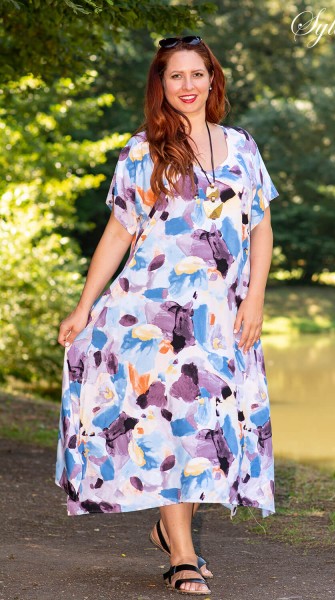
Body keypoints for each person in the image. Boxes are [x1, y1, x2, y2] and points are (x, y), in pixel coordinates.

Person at [55, 35, 279, 596]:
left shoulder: (242, 146)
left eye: (197, 74)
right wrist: (84, 307)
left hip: (221, 316)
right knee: (173, 426)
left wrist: (254, 299)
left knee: (210, 428)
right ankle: (182, 553)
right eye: (175, 75)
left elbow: (260, 227)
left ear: (213, 79)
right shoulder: (143, 150)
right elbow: (119, 231)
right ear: (161, 84)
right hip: (149, 315)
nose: (187, 85)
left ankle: (167, 530)